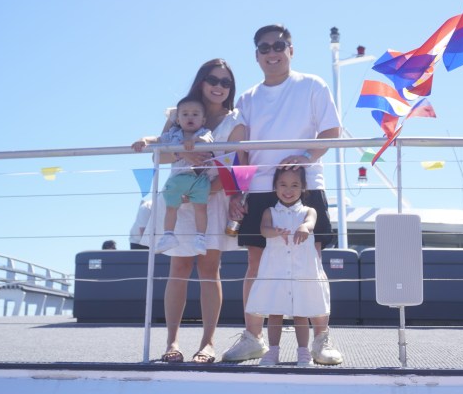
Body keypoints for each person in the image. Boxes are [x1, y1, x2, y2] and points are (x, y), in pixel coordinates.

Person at [222, 24, 343, 365]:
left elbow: (332, 131)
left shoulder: (313, 85)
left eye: (279, 45)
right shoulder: (247, 97)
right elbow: (240, 149)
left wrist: (306, 158)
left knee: (311, 266)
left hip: (306, 185)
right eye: (264, 47)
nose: (272, 52)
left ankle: (321, 340)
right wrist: (238, 191)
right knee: (256, 266)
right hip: (260, 188)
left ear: (292, 49)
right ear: (256, 55)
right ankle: (253, 337)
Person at [137, 58, 246, 364]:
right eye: (214, 80)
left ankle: (208, 343)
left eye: (226, 83)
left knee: (210, 270)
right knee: (179, 269)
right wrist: (184, 151)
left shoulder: (235, 124)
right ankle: (172, 342)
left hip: (211, 198)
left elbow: (234, 169)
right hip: (176, 200)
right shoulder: (177, 115)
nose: (219, 87)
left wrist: (202, 189)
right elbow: (160, 157)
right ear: (202, 81)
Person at [246, 167, 330, 367]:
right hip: (276, 269)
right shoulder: (270, 211)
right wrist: (274, 231)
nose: (288, 189)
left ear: (303, 188)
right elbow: (263, 230)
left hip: (301, 270)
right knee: (275, 312)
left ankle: (303, 352)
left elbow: (310, 223)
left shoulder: (309, 210)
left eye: (295, 185)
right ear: (275, 187)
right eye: (283, 184)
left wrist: (304, 227)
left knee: (301, 312)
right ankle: (272, 351)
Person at [133, 96, 214, 255]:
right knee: (171, 207)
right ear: (177, 119)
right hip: (177, 179)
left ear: (203, 120)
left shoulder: (203, 132)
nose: (190, 117)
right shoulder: (173, 134)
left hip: (198, 178)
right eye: (185, 114)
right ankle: (168, 234)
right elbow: (157, 139)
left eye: (195, 114)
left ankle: (200, 237)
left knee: (201, 208)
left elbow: (207, 140)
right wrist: (143, 140)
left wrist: (196, 140)